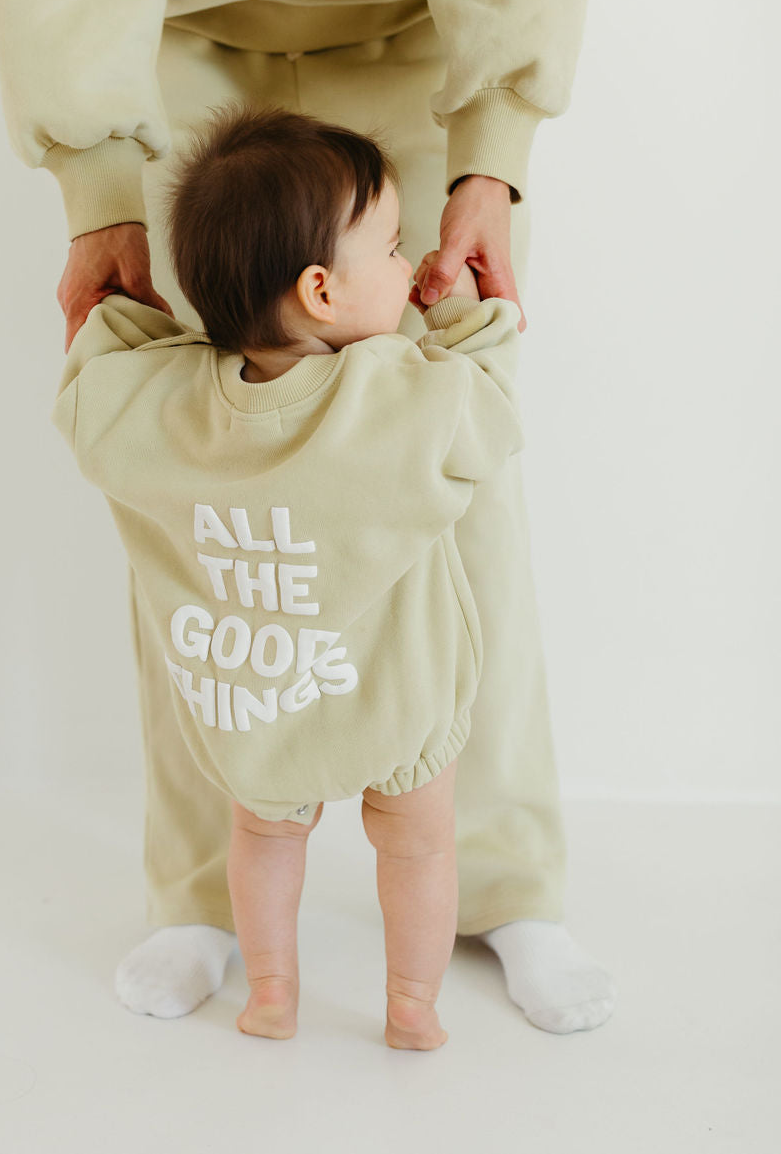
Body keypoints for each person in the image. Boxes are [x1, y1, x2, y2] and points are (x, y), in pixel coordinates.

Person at [0, 0, 617, 1033]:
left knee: (455, 485)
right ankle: (203, 894)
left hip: (420, 52)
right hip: (182, 64)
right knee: (201, 502)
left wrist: (497, 151)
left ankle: (504, 878)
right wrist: (99, 178)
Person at [51, 102, 526, 1049]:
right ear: (320, 289)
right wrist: (462, 307)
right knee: (418, 841)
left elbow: (88, 387)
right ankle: (412, 1003)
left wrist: (122, 316)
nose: (406, 263)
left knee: (264, 837)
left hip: (261, 708)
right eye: (393, 248)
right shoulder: (394, 401)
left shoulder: (171, 407)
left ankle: (271, 993)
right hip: (396, 697)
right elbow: (491, 404)